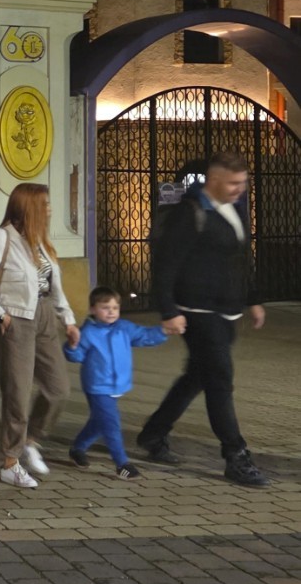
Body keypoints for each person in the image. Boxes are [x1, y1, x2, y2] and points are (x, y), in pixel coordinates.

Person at [137, 152, 269, 487]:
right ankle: (235, 455)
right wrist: (168, 310)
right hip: (197, 311)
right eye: (234, 183)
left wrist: (253, 299)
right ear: (214, 180)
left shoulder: (235, 209)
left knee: (197, 376)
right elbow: (166, 264)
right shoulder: (190, 212)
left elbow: (240, 258)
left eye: (243, 183)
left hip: (227, 311)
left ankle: (153, 433)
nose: (240, 189)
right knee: (220, 379)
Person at [0, 183, 80, 488]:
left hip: (45, 316)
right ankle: (10, 462)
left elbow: (53, 286)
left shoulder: (41, 242)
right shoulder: (0, 238)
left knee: (58, 389)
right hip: (15, 320)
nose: (49, 209)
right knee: (18, 395)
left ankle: (30, 440)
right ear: (28, 207)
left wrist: (68, 320)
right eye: (44, 204)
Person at [64, 286, 172, 479]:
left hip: (117, 385)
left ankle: (78, 448)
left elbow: (144, 336)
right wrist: (72, 346)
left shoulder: (124, 328)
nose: (111, 312)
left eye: (115, 307)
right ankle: (122, 464)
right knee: (111, 423)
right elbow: (76, 356)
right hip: (97, 387)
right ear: (92, 309)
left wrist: (164, 331)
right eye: (105, 307)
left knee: (99, 422)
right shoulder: (87, 332)